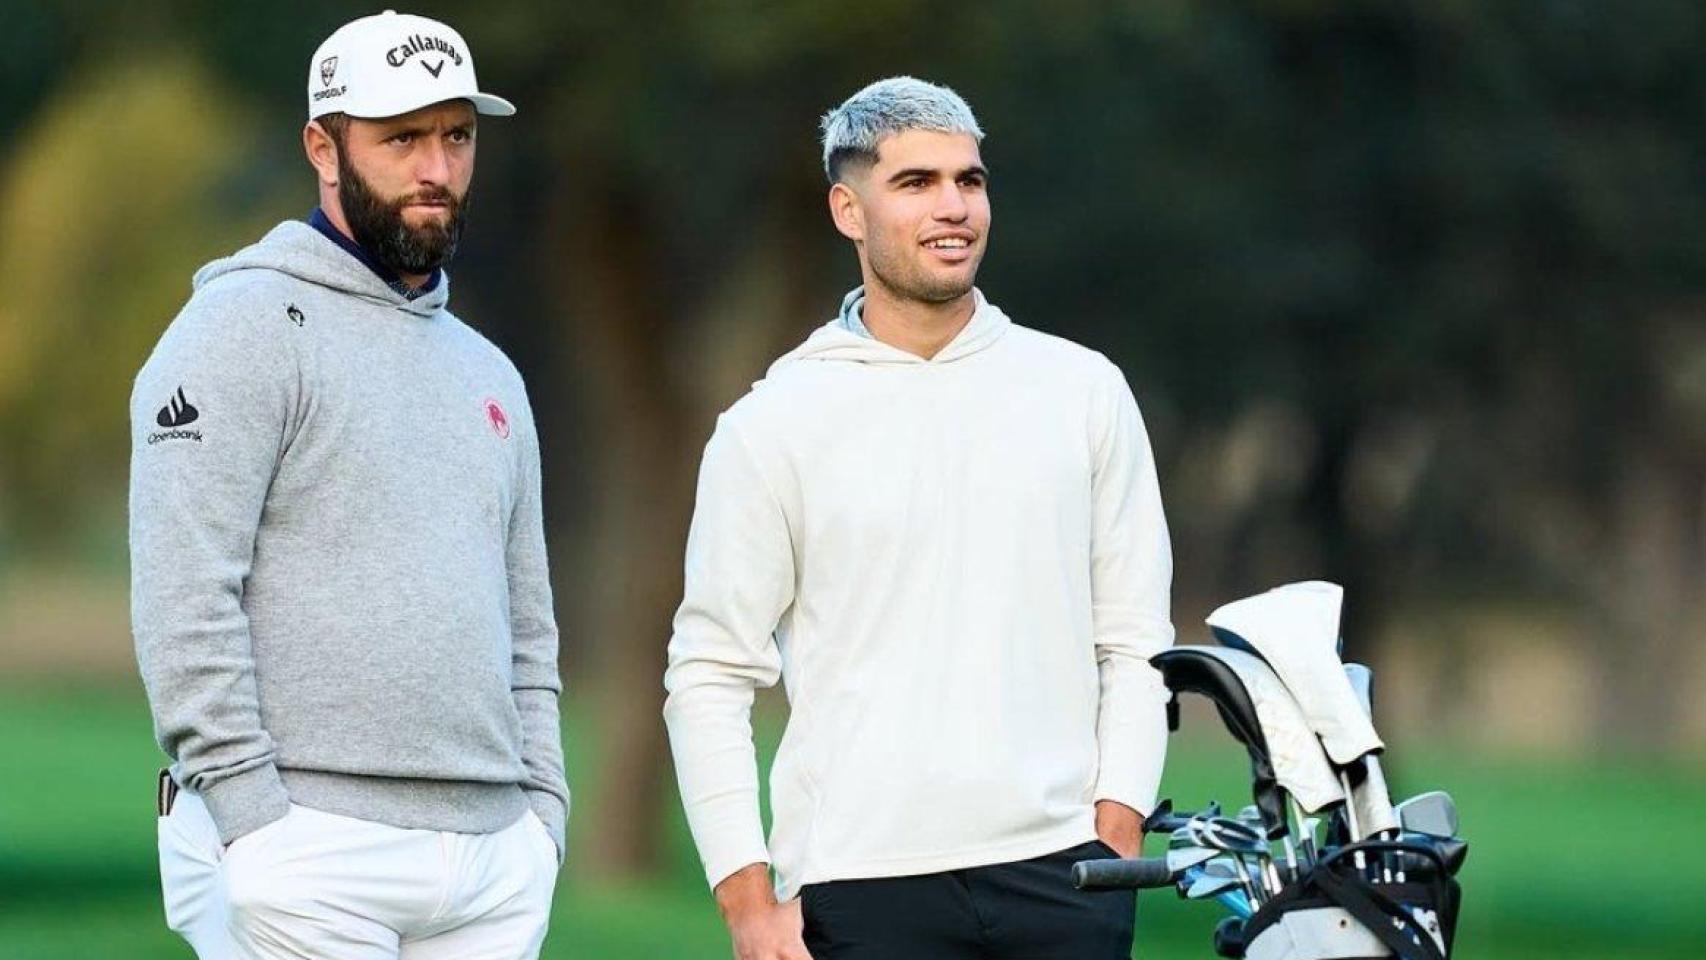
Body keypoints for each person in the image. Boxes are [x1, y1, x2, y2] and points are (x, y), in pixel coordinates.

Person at [663, 76, 1176, 960]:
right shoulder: (773, 424)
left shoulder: (1081, 391)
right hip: (859, 886)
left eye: (969, 181)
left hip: (1063, 874)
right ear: (847, 210)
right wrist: (748, 902)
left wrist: (1118, 823)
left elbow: (1135, 637)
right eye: (916, 183)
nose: (955, 208)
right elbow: (709, 672)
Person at [130, 11, 566, 959]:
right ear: (323, 148)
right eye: (402, 138)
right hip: (307, 845)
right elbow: (183, 594)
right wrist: (253, 820)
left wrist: (544, 820)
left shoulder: (490, 373)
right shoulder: (238, 329)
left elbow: (527, 625)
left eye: (457, 137)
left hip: (494, 864)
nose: (436, 169)